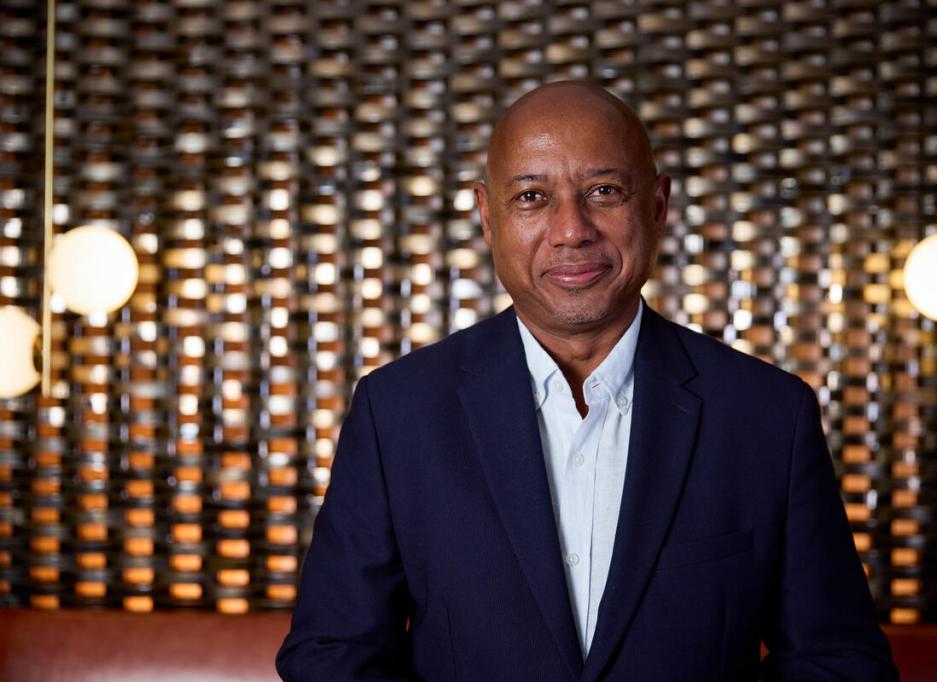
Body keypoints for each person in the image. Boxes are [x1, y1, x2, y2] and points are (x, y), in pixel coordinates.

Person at [277, 81, 898, 681]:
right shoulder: (398, 413)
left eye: (603, 190)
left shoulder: (768, 415)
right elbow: (332, 654)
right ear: (487, 216)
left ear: (656, 207)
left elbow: (837, 660)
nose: (571, 229)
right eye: (530, 197)